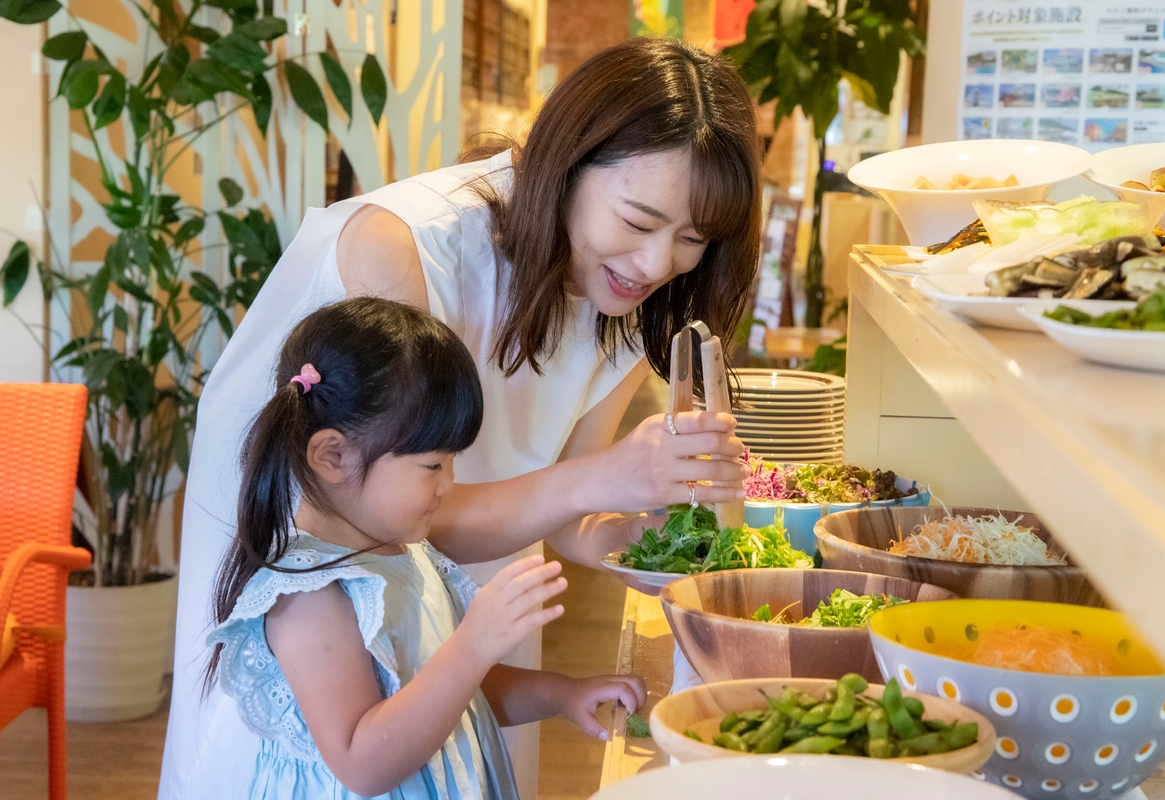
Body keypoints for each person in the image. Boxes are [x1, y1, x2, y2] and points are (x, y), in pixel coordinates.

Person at [162, 37, 761, 798]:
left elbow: (562, 501)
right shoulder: (404, 248)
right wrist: (600, 479)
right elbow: (412, 516)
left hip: (444, 604)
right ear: (568, 162)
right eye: (639, 220)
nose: (654, 264)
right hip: (337, 580)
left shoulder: (632, 301)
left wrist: (623, 536)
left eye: (693, 240)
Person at [201, 297, 646, 798]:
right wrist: (473, 643)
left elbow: (457, 694)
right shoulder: (310, 598)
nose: (448, 483)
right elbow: (362, 764)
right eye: (433, 466)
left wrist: (563, 693)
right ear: (333, 455)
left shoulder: (403, 551)